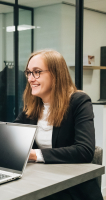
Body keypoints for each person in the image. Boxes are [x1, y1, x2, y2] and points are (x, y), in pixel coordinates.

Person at [14, 49, 103, 200]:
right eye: (28, 72)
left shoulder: (79, 101)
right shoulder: (32, 106)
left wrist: (35, 155)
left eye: (37, 72)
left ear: (56, 75)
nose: (30, 78)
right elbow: (13, 136)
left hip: (72, 187)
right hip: (42, 181)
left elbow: (84, 150)